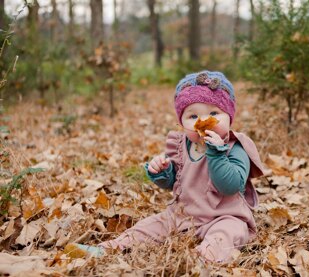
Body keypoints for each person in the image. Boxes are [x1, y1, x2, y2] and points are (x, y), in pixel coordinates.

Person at [75, 71, 265, 263]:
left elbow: (230, 186)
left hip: (223, 216)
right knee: (149, 226)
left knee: (227, 233)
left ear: (229, 116)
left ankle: (203, 259)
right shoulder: (182, 146)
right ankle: (109, 248)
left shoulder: (234, 146)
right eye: (192, 116)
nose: (203, 121)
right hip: (183, 216)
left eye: (214, 113)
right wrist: (163, 172)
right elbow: (177, 182)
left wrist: (216, 153)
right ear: (181, 122)